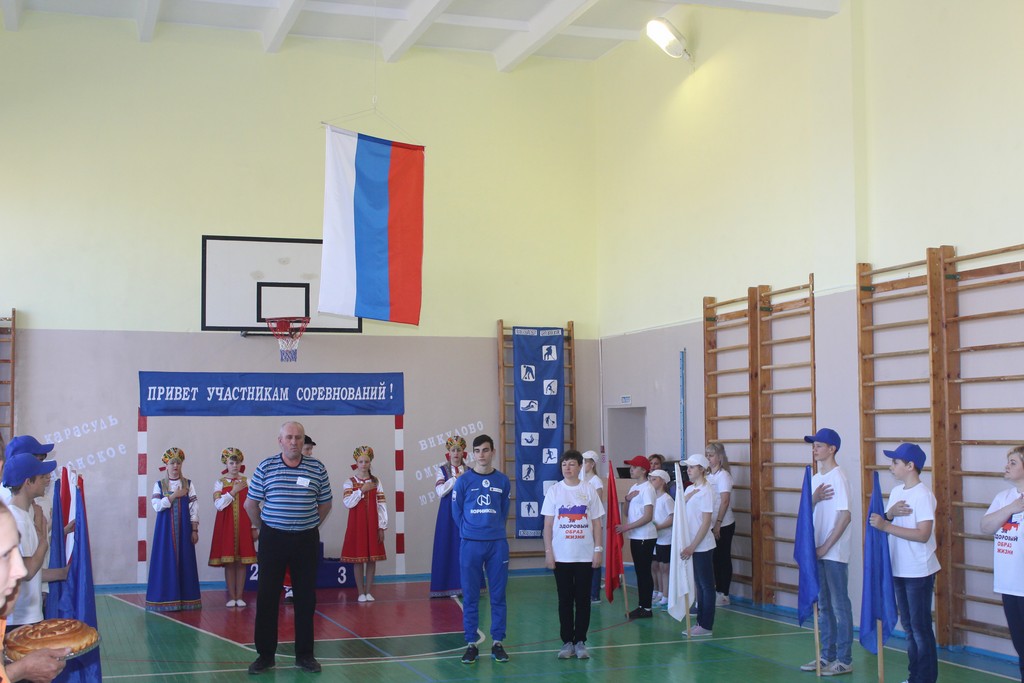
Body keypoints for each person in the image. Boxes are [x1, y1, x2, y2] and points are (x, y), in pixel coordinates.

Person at [244, 421, 333, 675]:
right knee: (267, 597)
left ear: (304, 440)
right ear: (280, 441)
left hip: (306, 540)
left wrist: (308, 524)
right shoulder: (266, 466)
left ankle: (305, 656)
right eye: (289, 437)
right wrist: (265, 528)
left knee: (305, 598)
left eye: (298, 437)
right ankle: (265, 656)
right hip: (273, 539)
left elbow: (326, 503)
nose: (294, 442)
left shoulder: (317, 468)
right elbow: (251, 505)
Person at [868, 443, 940, 683]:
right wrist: (888, 516)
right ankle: (914, 676)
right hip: (898, 567)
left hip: (918, 571)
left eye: (895, 462)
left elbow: (923, 534)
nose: (891, 467)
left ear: (910, 466)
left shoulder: (923, 495)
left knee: (920, 628)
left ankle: (925, 678)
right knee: (909, 627)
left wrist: (886, 525)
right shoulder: (898, 491)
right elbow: (887, 521)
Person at [451, 434, 511, 664]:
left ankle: (497, 642)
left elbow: (504, 511)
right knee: (470, 595)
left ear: (492, 452)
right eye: (477, 451)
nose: (481, 455)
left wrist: (493, 530)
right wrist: (471, 531)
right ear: (472, 454)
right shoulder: (463, 481)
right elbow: (456, 512)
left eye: (485, 450)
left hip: (497, 544)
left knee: (498, 595)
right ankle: (471, 643)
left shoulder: (503, 481)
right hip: (470, 544)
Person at [798, 428, 853, 676]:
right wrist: (814, 498)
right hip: (818, 551)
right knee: (824, 606)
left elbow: (845, 516)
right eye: (813, 446)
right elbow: (807, 512)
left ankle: (844, 658)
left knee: (839, 605)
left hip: (833, 552)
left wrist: (826, 546)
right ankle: (826, 655)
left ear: (832, 449)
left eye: (819, 445)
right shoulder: (816, 478)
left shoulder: (838, 476)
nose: (815, 449)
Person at [543, 450, 605, 660]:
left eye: (571, 464)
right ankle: (567, 641)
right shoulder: (554, 491)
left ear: (580, 467)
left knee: (583, 599)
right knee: (565, 600)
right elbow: (548, 525)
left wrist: (598, 550)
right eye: (564, 464)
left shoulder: (589, 490)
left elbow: (597, 523)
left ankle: (580, 641)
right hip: (561, 556)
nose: (567, 468)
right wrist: (549, 552)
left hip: (585, 556)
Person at [2, 453, 69, 629]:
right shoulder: (16, 522)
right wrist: (43, 545)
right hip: (17, 621)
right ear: (28, 482)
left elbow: (34, 570)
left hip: (26, 617)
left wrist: (63, 573)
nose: (46, 480)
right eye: (41, 477)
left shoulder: (23, 516)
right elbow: (27, 571)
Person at [981, 445, 1024, 682]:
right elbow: (986, 526)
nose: (1007, 466)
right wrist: (1012, 508)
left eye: (1013, 462)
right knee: (1020, 644)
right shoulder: (1003, 498)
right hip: (1009, 584)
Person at [145, 447, 201, 613]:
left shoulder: (188, 484)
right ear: (166, 465)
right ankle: (165, 599)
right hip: (165, 532)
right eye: (172, 463)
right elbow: (156, 506)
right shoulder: (159, 485)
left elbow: (194, 508)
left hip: (184, 530)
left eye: (178, 463)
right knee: (165, 561)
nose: (175, 466)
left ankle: (187, 600)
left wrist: (194, 530)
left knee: (185, 561)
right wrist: (174, 496)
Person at [209, 447, 257, 608]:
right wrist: (233, 491)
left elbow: (254, 505)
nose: (235, 466)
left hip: (244, 526)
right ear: (226, 464)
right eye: (231, 463)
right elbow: (219, 505)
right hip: (226, 526)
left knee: (242, 563)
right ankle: (232, 596)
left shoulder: (248, 481)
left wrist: (254, 526)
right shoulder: (219, 483)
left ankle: (240, 596)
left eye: (237, 463)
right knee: (229, 563)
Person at [341, 446, 388, 602]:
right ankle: (360, 592)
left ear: (370, 463)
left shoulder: (376, 481)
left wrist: (381, 527)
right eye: (360, 461)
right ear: (356, 462)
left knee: (371, 559)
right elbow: (348, 502)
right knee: (359, 559)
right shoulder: (349, 482)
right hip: (357, 525)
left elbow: (381, 505)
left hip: (373, 524)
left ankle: (369, 591)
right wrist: (362, 490)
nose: (363, 464)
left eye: (366, 461)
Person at [614, 455, 656, 620]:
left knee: (644, 572)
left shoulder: (648, 488)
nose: (631, 470)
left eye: (634, 467)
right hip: (636, 536)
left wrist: (626, 527)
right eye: (631, 467)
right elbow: (626, 512)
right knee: (640, 571)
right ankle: (641, 605)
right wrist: (627, 499)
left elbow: (648, 516)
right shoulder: (634, 487)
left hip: (645, 536)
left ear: (644, 470)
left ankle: (646, 607)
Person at [680, 453, 717, 637]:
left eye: (692, 467)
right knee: (699, 585)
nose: (688, 470)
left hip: (702, 545)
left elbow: (705, 522)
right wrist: (686, 497)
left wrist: (693, 546)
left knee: (706, 586)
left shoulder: (707, 491)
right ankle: (699, 623)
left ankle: (706, 625)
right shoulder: (690, 489)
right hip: (692, 545)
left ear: (702, 469)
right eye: (687, 467)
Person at [430, 436, 467, 598]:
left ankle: (467, 585)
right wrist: (455, 479)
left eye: (459, 450)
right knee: (447, 546)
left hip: (465, 514)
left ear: (463, 452)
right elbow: (440, 491)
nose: (456, 453)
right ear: (449, 453)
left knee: (465, 548)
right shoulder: (442, 471)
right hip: (447, 514)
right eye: (453, 450)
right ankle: (448, 586)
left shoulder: (470, 470)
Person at [706, 441, 735, 607]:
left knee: (723, 558)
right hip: (711, 523)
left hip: (724, 523)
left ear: (719, 457)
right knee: (715, 559)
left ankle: (724, 593)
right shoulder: (708, 476)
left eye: (711, 455)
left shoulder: (723, 476)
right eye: (707, 456)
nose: (708, 458)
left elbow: (724, 501)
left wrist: (718, 523)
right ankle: (717, 590)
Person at [581, 450, 604, 603]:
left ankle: (594, 593)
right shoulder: (581, 480)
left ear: (592, 464)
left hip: (593, 524)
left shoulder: (596, 481)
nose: (583, 465)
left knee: (594, 556)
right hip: (582, 525)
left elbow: (597, 505)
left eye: (585, 461)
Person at [649, 469, 673, 608]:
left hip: (665, 539)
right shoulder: (653, 498)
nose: (651, 482)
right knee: (655, 565)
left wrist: (658, 527)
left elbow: (672, 518)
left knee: (665, 568)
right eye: (651, 479)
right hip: (655, 538)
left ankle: (666, 595)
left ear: (663, 481)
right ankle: (657, 591)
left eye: (654, 479)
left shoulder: (667, 499)